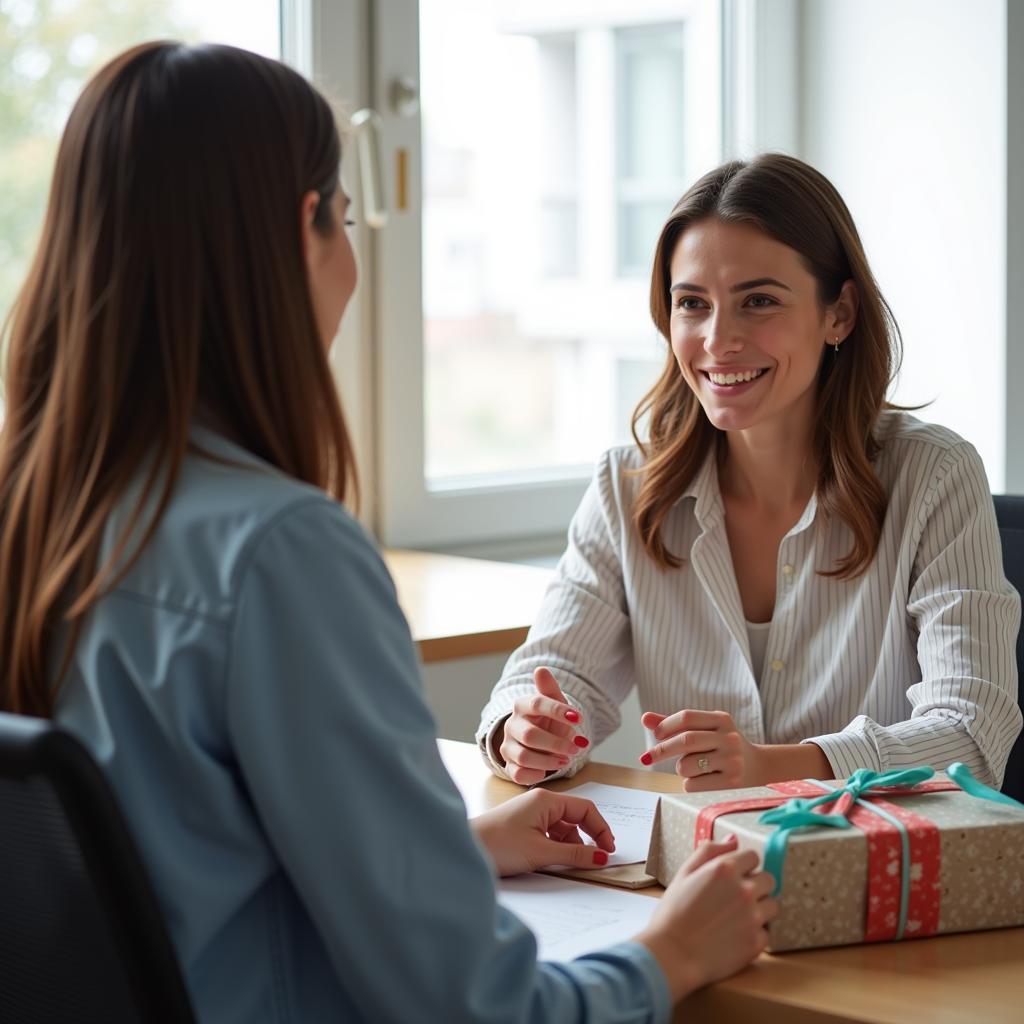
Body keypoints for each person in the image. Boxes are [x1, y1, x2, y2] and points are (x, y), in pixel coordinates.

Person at [0, 42, 778, 1023]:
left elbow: (174, 862)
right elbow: (471, 1009)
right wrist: (669, 954)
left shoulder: (37, 517)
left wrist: (453, 849)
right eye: (351, 219)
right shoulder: (278, 555)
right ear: (306, 229)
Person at [479, 153, 1022, 792]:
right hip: (696, 877)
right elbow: (548, 675)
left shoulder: (934, 476)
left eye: (758, 301)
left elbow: (972, 734)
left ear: (839, 314)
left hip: (880, 877)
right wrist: (526, 731)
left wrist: (778, 768)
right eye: (692, 303)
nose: (717, 339)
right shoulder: (625, 486)